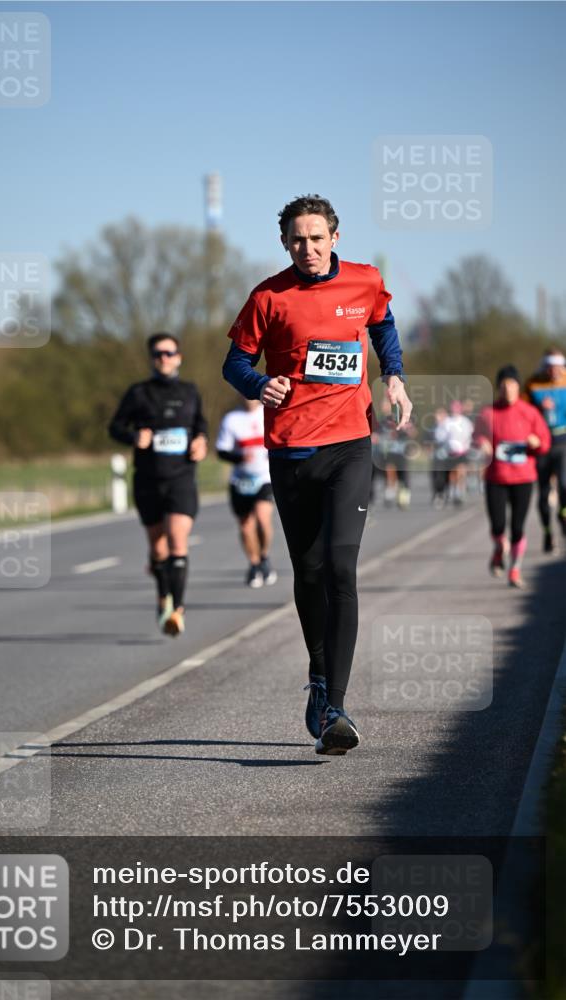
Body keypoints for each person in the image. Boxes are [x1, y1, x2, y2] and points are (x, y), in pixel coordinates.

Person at [223, 194, 411, 755]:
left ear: (334, 236)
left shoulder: (364, 281)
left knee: (340, 567)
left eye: (316, 237)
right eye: (297, 240)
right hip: (289, 450)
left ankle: (336, 709)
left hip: (350, 444)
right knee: (308, 572)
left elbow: (383, 323)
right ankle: (320, 677)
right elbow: (235, 362)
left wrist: (395, 375)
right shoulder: (268, 296)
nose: (307, 247)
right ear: (285, 243)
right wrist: (260, 385)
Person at [108, 332, 208, 636]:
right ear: (152, 359)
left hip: (181, 478)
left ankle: (175, 609)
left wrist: (202, 441)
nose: (163, 358)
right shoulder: (138, 393)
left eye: (169, 353)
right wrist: (133, 437)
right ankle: (163, 592)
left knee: (178, 539)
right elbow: (115, 427)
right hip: (149, 479)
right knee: (158, 547)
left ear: (178, 357)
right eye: (158, 354)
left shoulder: (190, 391)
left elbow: (200, 425)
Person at [474, 365, 550, 588]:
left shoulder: (529, 412)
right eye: (504, 385)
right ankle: (499, 548)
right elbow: (476, 435)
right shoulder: (488, 413)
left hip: (523, 477)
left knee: (518, 527)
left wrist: (536, 444)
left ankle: (515, 569)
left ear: (518, 387)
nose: (508, 389)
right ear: (498, 388)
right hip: (496, 478)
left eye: (512, 385)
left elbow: (544, 442)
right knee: (498, 526)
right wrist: (482, 443)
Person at [216, 397, 278, 588]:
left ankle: (265, 555)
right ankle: (254, 563)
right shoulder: (231, 419)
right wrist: (239, 456)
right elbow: (221, 450)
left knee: (262, 518)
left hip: (264, 477)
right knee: (245, 526)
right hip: (240, 480)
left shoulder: (269, 412)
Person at [524, 348, 566, 552]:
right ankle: (548, 531)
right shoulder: (533, 383)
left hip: (563, 441)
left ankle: (563, 516)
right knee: (543, 493)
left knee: (565, 485)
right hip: (541, 443)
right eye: (550, 367)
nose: (554, 371)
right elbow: (521, 411)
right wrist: (539, 409)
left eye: (557, 367)